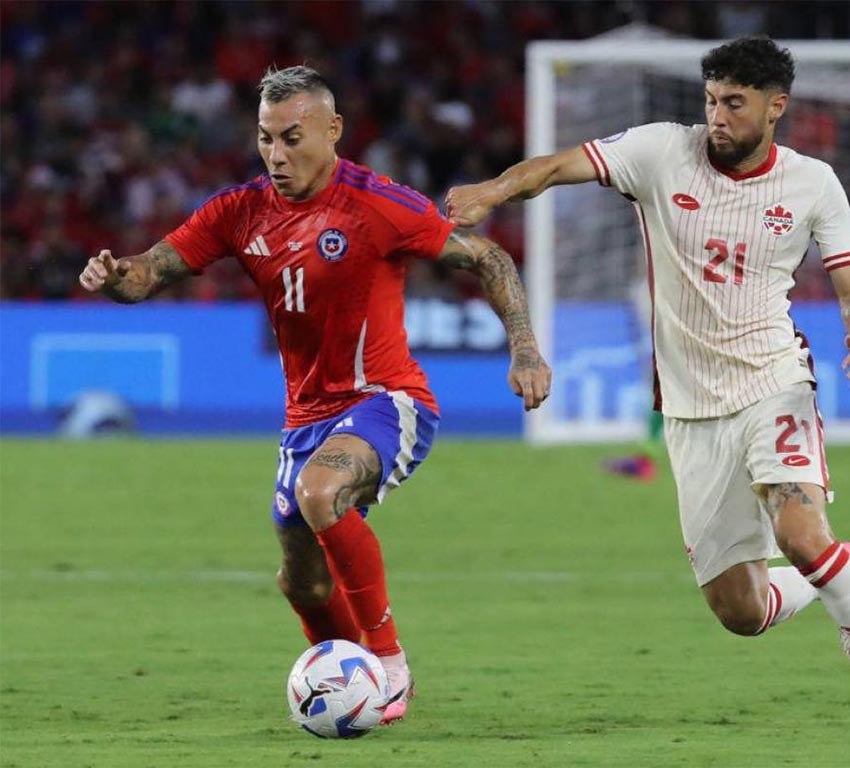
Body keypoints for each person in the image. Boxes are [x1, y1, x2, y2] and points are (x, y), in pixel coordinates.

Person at [446, 37, 850, 731]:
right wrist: (492, 191)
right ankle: (844, 569)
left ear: (776, 107)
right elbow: (555, 167)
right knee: (741, 611)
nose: (717, 117)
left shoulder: (813, 183)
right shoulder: (660, 151)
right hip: (690, 408)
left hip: (774, 379)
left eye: (735, 103)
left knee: (799, 532)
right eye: (711, 101)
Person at [79, 65, 552, 725]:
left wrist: (524, 347)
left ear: (333, 131)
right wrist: (114, 275)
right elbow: (148, 273)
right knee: (300, 580)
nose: (275, 155)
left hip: (388, 400)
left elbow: (490, 259)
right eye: (265, 138)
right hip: (305, 418)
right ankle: (356, 687)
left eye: (292, 138)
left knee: (320, 491)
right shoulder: (239, 211)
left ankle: (388, 664)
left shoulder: (378, 204)